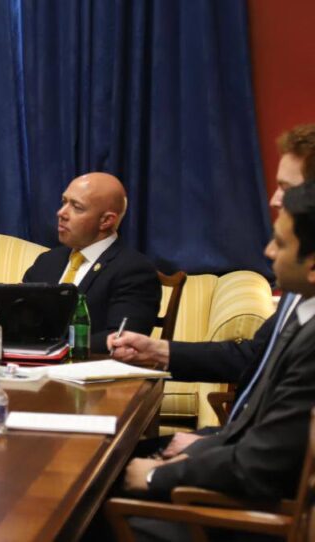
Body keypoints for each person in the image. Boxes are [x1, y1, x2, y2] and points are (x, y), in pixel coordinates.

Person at [114, 184, 315, 540]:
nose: (268, 251)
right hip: (238, 467)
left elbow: (265, 462)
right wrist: (207, 446)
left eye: (281, 244)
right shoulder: (303, 307)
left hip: (247, 514)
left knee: (83, 507)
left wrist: (157, 475)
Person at [114, 124, 315, 459]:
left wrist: (201, 451)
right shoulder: (298, 285)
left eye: (286, 188)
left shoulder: (302, 279)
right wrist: (158, 351)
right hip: (233, 441)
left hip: (244, 459)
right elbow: (250, 357)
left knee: (102, 472)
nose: (274, 199)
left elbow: (285, 445)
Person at [22, 172, 160, 352]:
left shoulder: (134, 270)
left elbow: (122, 338)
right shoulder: (47, 261)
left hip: (88, 367)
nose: (61, 213)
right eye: (64, 202)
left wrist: (58, 350)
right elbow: (19, 317)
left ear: (106, 220)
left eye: (76, 207)